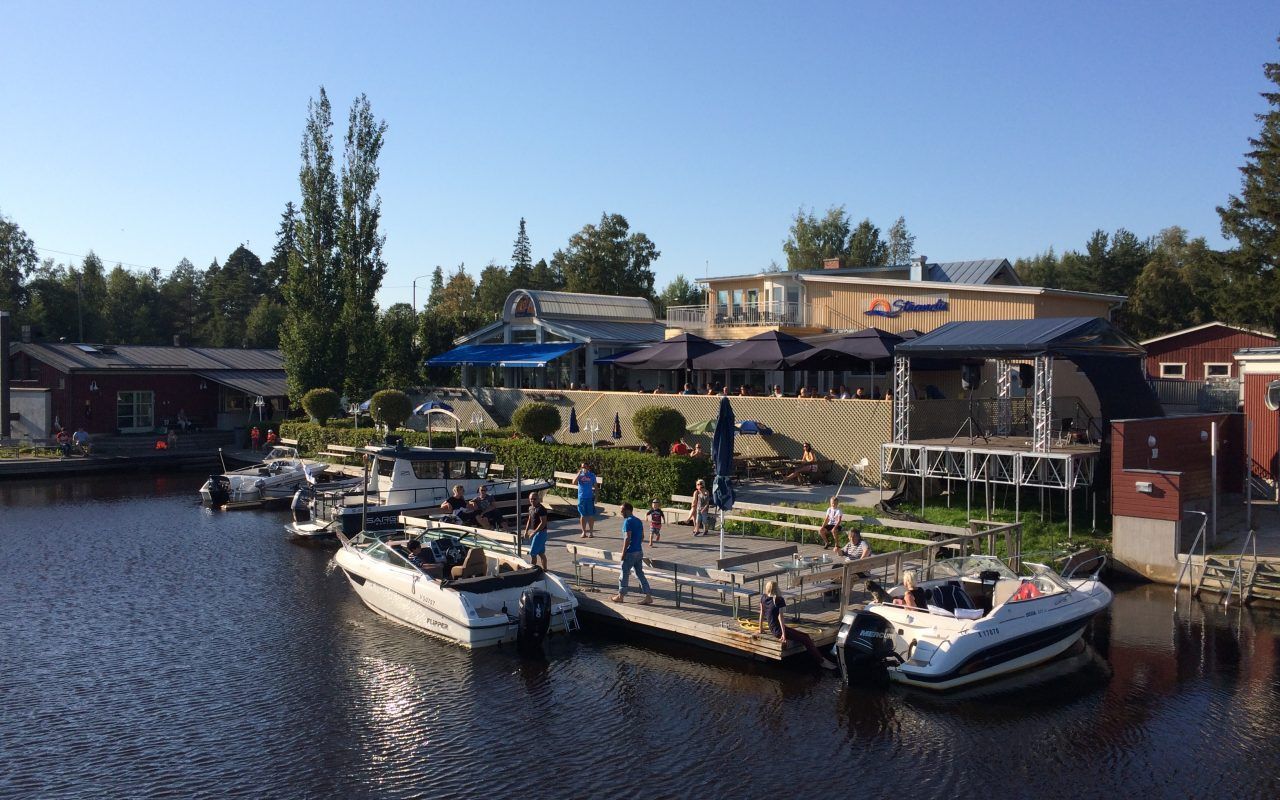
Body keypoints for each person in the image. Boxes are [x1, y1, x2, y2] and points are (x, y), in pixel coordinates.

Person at [755, 581, 837, 669]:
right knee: (806, 638)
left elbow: (762, 613)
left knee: (803, 636)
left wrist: (760, 629)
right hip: (779, 631)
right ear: (776, 588)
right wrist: (783, 635)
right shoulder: (778, 600)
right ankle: (822, 661)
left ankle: (820, 658)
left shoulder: (763, 597)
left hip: (773, 628)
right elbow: (780, 618)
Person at [611, 503, 653, 604]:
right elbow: (642, 537)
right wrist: (636, 545)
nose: (621, 512)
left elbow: (627, 538)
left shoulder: (628, 521)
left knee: (624, 573)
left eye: (622, 510)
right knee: (639, 574)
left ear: (628, 510)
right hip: (639, 551)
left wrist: (623, 552)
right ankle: (648, 596)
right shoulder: (638, 520)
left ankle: (620, 596)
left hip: (630, 553)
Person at [522, 491, 549, 570]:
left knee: (533, 553)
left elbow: (543, 523)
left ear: (538, 499)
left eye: (534, 499)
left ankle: (532, 570)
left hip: (541, 533)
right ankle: (545, 569)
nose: (532, 500)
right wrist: (526, 531)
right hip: (536, 532)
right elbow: (529, 519)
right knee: (541, 553)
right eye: (531, 499)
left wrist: (534, 532)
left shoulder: (541, 509)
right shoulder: (530, 508)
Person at [575, 461, 597, 538]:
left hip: (590, 497)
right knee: (583, 515)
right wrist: (578, 474)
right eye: (582, 467)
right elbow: (574, 482)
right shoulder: (579, 475)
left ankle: (591, 532)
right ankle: (583, 532)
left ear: (588, 467)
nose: (583, 468)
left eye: (585, 467)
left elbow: (596, 487)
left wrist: (596, 497)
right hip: (581, 498)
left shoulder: (592, 475)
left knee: (591, 515)